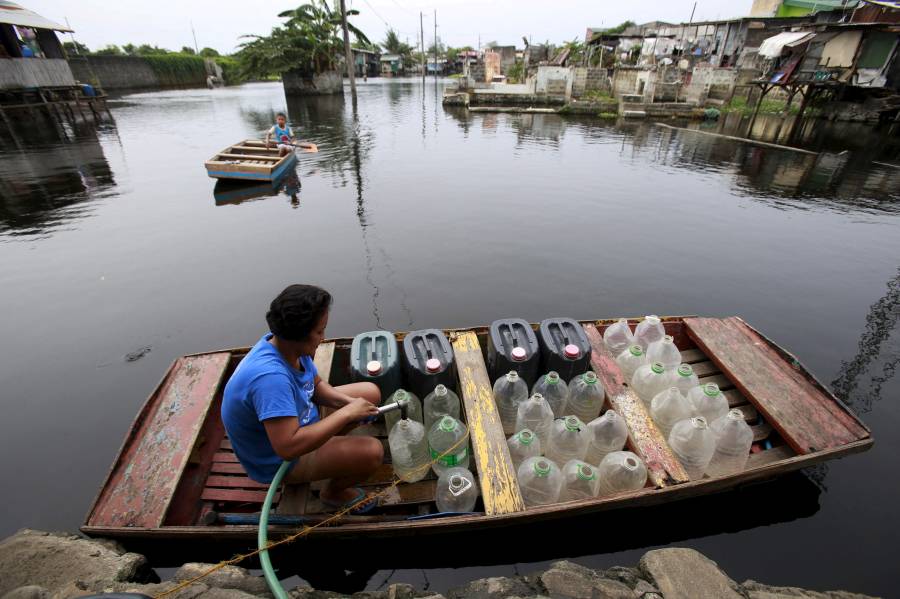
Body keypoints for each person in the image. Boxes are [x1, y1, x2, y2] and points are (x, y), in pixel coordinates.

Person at [222, 284, 384, 513]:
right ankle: (334, 493)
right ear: (298, 335)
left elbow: (314, 384)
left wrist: (348, 404)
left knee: (369, 392)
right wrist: (347, 413)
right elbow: (288, 447)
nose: (323, 337)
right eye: (319, 332)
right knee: (372, 453)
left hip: (297, 419)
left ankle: (330, 447)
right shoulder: (270, 379)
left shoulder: (286, 346)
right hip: (278, 460)